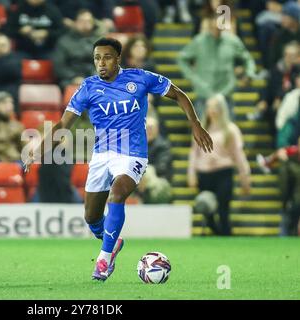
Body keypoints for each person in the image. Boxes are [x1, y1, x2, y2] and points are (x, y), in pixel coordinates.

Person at [24, 37, 213, 281]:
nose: (101, 63)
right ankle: (113, 241)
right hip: (102, 155)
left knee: (117, 193)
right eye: (97, 58)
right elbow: (63, 124)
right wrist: (40, 151)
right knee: (91, 217)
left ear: (118, 59)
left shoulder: (140, 78)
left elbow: (179, 95)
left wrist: (195, 124)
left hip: (132, 154)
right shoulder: (88, 87)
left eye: (107, 57)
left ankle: (103, 260)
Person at [188, 94, 251, 236]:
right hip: (204, 173)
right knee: (206, 210)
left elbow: (239, 155)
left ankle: (226, 235)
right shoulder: (201, 128)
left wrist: (245, 176)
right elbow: (194, 153)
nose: (212, 110)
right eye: (210, 107)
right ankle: (218, 233)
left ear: (222, 109)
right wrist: (191, 173)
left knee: (223, 210)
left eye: (216, 107)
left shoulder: (231, 130)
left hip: (223, 172)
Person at [177, 16, 257, 118]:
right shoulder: (199, 41)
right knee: (202, 131)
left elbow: (248, 59)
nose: (216, 28)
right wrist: (192, 77)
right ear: (209, 24)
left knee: (227, 131)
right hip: (204, 92)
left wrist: (249, 74)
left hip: (225, 93)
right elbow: (182, 58)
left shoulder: (232, 41)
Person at [53, 9, 100, 89]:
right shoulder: (64, 41)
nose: (85, 24)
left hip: (95, 79)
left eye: (89, 21)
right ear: (75, 23)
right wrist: (74, 77)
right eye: (82, 21)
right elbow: (59, 66)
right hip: (70, 80)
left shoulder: (100, 42)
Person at [135, 117, 173, 204]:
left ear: (157, 129)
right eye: (146, 128)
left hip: (158, 180)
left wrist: (144, 174)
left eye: (151, 128)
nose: (149, 130)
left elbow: (161, 167)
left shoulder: (163, 145)